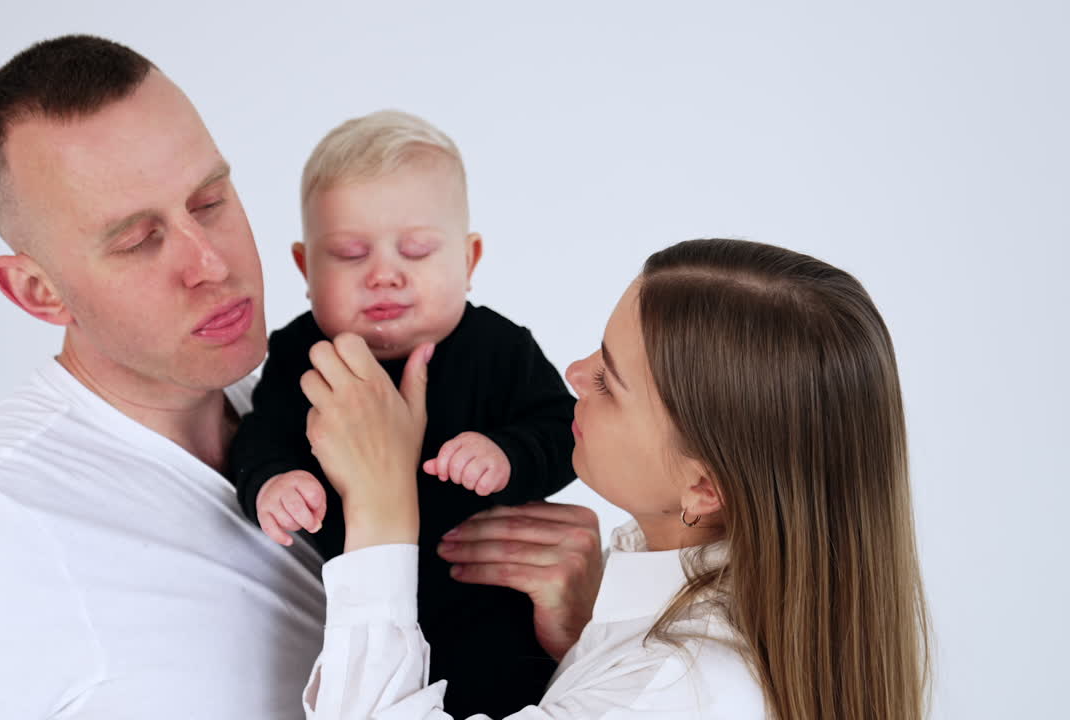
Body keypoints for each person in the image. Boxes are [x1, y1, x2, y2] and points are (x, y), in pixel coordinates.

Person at [0, 35, 603, 719]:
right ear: (38, 290)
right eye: (137, 240)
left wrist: (580, 637)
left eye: (211, 200)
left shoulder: (302, 395)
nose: (212, 263)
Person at [298, 238, 932, 719]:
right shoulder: (691, 655)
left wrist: (381, 507)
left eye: (610, 381)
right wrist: (588, 646)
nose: (575, 371)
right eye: (597, 351)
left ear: (705, 488)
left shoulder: (676, 692)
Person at [230, 110, 577, 715]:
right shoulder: (297, 354)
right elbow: (260, 439)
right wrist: (273, 482)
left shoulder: (500, 349)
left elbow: (563, 431)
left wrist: (508, 454)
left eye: (416, 251)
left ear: (468, 260)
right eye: (349, 253)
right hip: (354, 612)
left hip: (491, 606)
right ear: (304, 268)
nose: (385, 275)